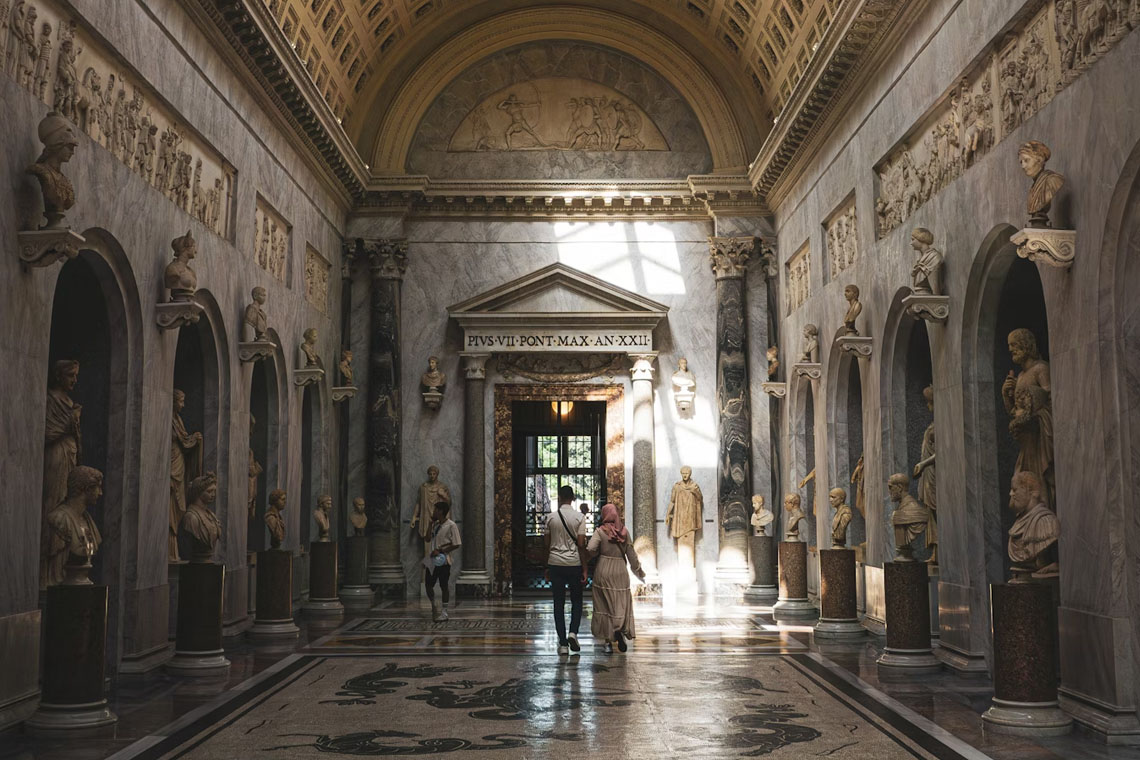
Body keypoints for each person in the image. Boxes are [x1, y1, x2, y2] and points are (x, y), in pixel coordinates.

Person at [587, 503, 644, 654]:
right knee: (620, 603)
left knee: (604, 604)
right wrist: (638, 570)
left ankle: (607, 642)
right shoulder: (624, 532)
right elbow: (632, 555)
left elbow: (591, 548)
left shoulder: (600, 532)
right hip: (620, 570)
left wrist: (595, 554)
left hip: (604, 569)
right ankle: (619, 630)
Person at [545, 484, 587, 655]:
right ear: (573, 498)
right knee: (576, 600)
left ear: (559, 498)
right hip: (574, 563)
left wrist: (546, 566)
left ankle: (562, 644)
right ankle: (573, 632)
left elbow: (546, 544)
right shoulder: (579, 517)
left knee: (558, 603)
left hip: (555, 563)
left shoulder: (550, 518)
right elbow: (581, 544)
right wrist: (585, 569)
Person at [424, 501, 461, 622]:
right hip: (431, 559)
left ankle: (444, 612)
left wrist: (440, 550)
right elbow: (427, 539)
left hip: (443, 560)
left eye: (435, 510)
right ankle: (434, 605)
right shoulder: (435, 525)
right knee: (428, 584)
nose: (433, 512)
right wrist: (430, 524)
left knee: (443, 585)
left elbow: (456, 544)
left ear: (440, 511)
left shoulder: (451, 525)